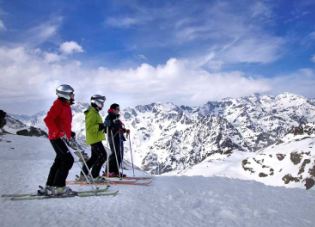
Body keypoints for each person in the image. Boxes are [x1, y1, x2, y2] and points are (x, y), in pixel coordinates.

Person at [40, 84, 76, 196]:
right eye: (71, 94)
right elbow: (48, 120)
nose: (73, 96)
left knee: (60, 161)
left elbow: (64, 123)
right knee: (68, 160)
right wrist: (58, 132)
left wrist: (70, 134)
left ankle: (50, 186)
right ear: (65, 94)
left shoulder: (65, 105)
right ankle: (59, 187)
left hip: (59, 137)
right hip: (56, 137)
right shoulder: (58, 105)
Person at [78, 95, 107, 182]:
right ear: (97, 103)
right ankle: (94, 176)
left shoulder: (94, 112)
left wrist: (102, 128)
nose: (102, 105)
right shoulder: (92, 113)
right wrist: (100, 126)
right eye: (101, 103)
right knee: (102, 156)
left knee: (94, 158)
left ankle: (83, 175)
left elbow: (95, 125)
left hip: (95, 138)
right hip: (94, 139)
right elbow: (90, 128)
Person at [104, 103, 130, 177]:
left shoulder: (116, 117)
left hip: (119, 137)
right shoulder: (109, 117)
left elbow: (119, 128)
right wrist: (113, 129)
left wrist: (124, 130)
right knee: (114, 153)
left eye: (119, 109)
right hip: (113, 137)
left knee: (119, 155)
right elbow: (106, 126)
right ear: (113, 109)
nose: (118, 110)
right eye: (117, 109)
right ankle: (108, 171)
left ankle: (115, 171)